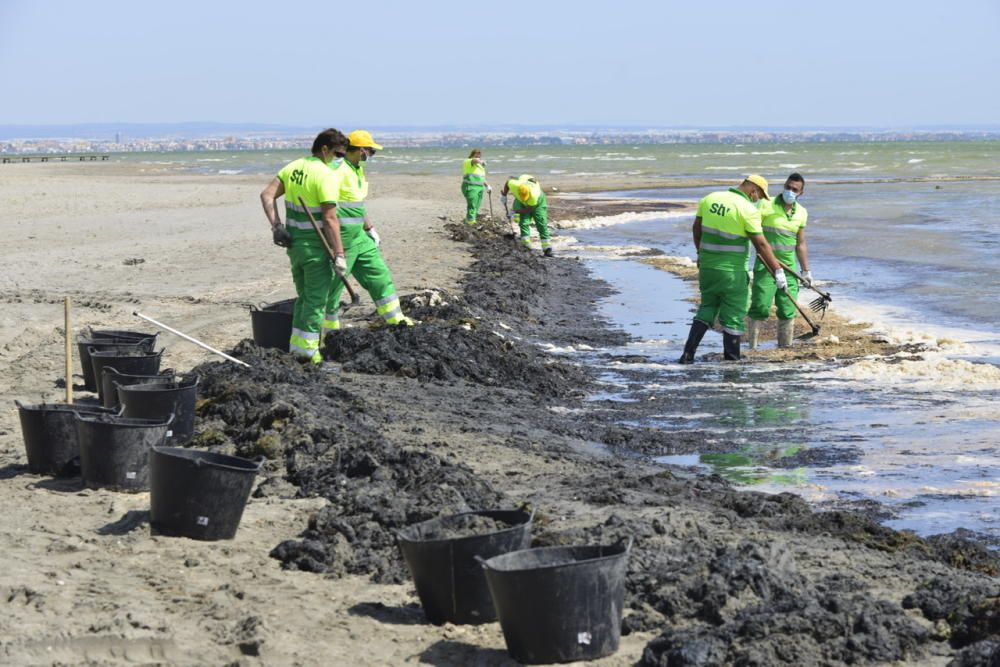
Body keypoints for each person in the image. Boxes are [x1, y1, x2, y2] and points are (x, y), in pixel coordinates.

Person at [260, 128, 349, 364]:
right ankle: (309, 355)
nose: (338, 160)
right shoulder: (325, 175)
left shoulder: (294, 167)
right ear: (325, 149)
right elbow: (330, 220)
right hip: (316, 250)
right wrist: (339, 254)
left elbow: (266, 195)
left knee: (304, 298)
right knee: (315, 302)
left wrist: (276, 226)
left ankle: (297, 348)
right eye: (337, 154)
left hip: (295, 247)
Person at [678, 175, 786, 364]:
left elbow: (696, 229)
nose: (758, 200)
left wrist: (700, 254)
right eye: (759, 196)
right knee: (734, 316)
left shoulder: (710, 198)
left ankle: (688, 354)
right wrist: (777, 271)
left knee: (707, 308)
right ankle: (732, 361)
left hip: (708, 269)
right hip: (733, 274)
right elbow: (760, 244)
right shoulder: (747, 210)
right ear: (753, 190)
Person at [323, 129, 412, 332]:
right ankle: (328, 331)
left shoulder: (357, 170)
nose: (371, 155)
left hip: (360, 237)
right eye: (371, 152)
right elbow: (326, 206)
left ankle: (396, 320)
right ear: (360, 150)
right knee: (334, 288)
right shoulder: (337, 170)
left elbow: (356, 205)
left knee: (379, 275)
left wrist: (369, 227)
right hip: (342, 236)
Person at [747, 173, 811, 348]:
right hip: (766, 265)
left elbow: (801, 243)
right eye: (788, 187)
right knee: (760, 306)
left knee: (788, 309)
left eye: (794, 189)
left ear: (801, 192)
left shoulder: (802, 213)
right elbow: (751, 231)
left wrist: (806, 271)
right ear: (784, 186)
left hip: (789, 267)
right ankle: (751, 347)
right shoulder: (765, 204)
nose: (790, 191)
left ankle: (785, 347)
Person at [501, 174, 553, 256]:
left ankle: (547, 247)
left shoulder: (534, 195)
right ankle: (526, 244)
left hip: (538, 203)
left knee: (541, 223)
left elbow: (528, 209)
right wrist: (504, 195)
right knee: (523, 222)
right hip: (521, 199)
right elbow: (508, 182)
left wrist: (515, 211)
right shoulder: (515, 185)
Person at [461, 149, 491, 224]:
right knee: (472, 205)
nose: (478, 157)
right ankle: (470, 221)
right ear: (472, 155)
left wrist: (488, 186)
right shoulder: (468, 161)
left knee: (476, 206)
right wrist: (480, 161)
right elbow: (474, 160)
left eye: (479, 155)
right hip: (470, 186)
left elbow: (482, 178)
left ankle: (471, 220)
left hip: (480, 187)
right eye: (476, 155)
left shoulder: (480, 167)